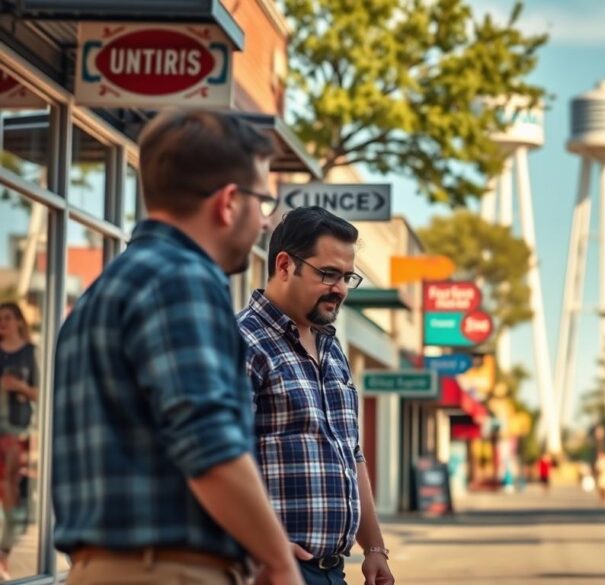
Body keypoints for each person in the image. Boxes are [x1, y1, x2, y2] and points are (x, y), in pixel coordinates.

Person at [52, 110, 302, 585]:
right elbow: (210, 445)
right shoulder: (183, 278)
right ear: (229, 202)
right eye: (262, 200)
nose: (267, 220)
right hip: (169, 571)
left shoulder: (104, 291)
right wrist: (277, 559)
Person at [237, 207, 395, 585]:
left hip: (332, 571)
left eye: (346, 277)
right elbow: (219, 455)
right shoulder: (242, 342)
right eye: (328, 273)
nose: (339, 288)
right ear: (285, 265)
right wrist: (259, 545)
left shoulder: (332, 349)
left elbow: (351, 452)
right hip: (272, 570)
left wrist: (374, 548)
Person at [0, 302, 38, 579]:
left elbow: (40, 392)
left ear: (19, 322)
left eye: (8, 318)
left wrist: (20, 387)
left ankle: (5, 550)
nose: (2, 323)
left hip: (17, 428)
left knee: (9, 484)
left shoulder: (29, 354)